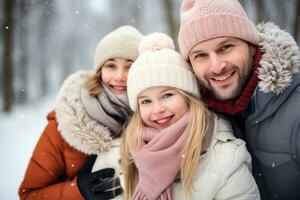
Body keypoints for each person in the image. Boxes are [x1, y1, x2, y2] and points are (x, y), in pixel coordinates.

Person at [178, 0, 300, 199]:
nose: (217, 66)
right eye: (201, 55)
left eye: (225, 47)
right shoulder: (199, 122)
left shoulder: (296, 107)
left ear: (251, 45)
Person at [120, 32, 260, 200]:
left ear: (188, 97)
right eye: (146, 101)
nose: (158, 109)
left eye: (167, 95)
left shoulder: (225, 156)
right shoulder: (129, 154)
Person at [19, 25, 143, 200]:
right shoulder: (67, 121)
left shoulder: (155, 117)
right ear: (100, 71)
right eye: (111, 66)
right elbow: (29, 195)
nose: (119, 76)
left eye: (129, 67)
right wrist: (77, 190)